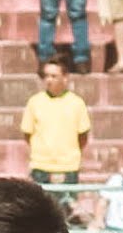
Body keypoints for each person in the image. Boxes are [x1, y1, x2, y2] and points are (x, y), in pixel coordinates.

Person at [19, 61, 95, 204]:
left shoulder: (76, 103)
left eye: (54, 76)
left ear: (65, 78)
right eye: (46, 76)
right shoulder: (35, 102)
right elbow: (27, 133)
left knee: (65, 211)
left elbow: (83, 135)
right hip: (41, 166)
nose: (49, 80)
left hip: (68, 166)